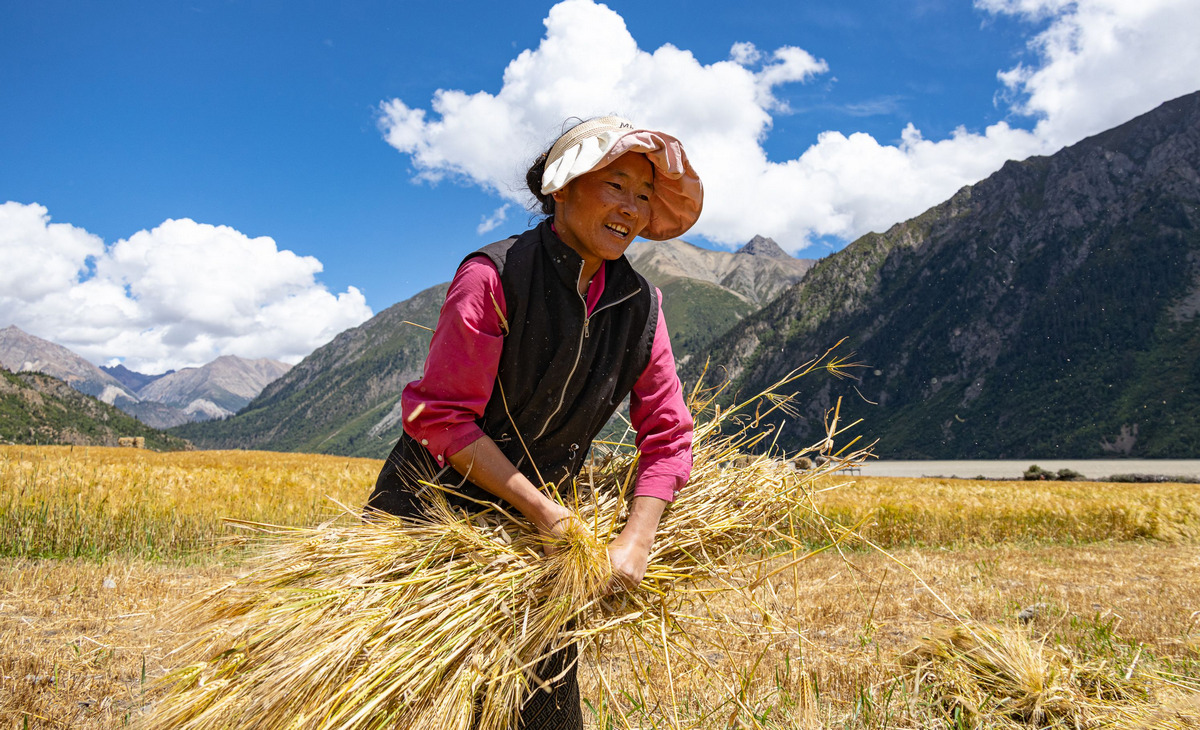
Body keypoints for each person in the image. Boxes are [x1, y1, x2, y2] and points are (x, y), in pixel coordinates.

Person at [366, 115, 703, 729]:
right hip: (429, 510)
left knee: (543, 707)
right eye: (616, 185)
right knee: (397, 702)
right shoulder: (493, 277)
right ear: (563, 188)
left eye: (644, 195)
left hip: (543, 537)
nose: (631, 207)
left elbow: (668, 435)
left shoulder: (640, 307)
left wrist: (636, 539)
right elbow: (439, 417)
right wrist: (549, 513)